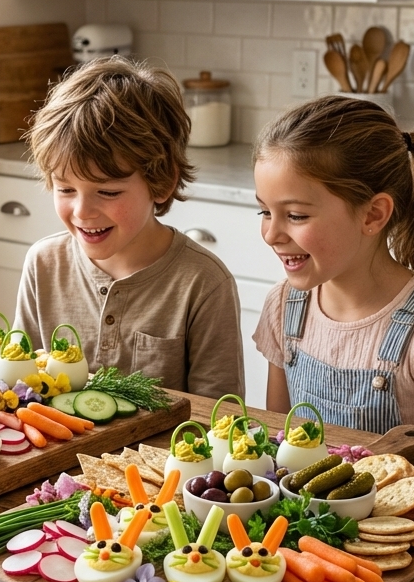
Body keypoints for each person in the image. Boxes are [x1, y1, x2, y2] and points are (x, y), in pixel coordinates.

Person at [252, 94, 414, 452]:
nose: (271, 234)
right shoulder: (284, 305)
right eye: (264, 212)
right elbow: (279, 450)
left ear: (373, 215)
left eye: (296, 215)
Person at [14, 56, 245, 398]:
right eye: (65, 189)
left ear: (162, 183)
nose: (82, 211)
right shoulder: (44, 264)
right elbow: (19, 384)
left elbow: (218, 417)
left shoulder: (204, 284)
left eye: (107, 192)